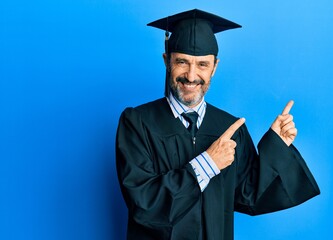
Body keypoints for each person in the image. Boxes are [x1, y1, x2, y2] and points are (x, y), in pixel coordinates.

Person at [116, 9, 320, 240]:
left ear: (214, 67)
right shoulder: (137, 122)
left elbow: (249, 196)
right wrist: (208, 163)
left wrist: (276, 147)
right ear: (167, 61)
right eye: (182, 62)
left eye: (202, 65)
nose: (191, 76)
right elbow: (143, 204)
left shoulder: (230, 128)